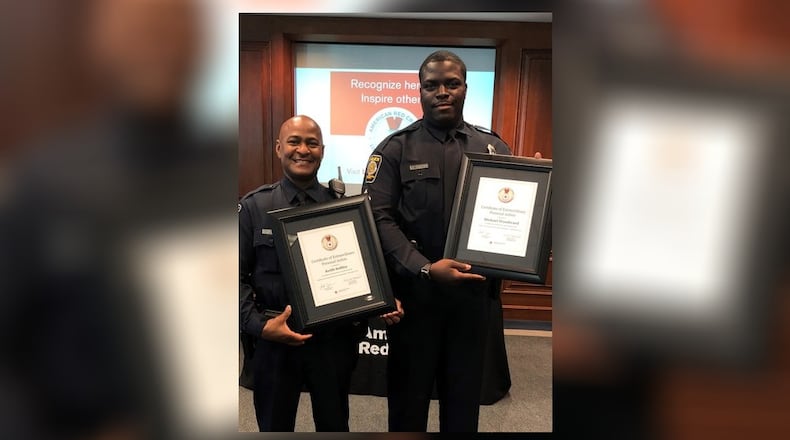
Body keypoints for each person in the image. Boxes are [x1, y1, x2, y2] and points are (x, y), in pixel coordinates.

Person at [361, 50, 513, 432]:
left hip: (473, 300)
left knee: (463, 403)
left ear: (465, 88)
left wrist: (536, 185)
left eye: (452, 83)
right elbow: (377, 218)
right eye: (431, 85)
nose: (442, 92)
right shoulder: (394, 150)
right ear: (420, 91)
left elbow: (514, 217)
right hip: (416, 298)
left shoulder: (493, 148)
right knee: (408, 403)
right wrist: (424, 268)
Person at [239, 115, 384, 431]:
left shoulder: (344, 208)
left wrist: (378, 303)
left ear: (322, 150)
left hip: (331, 342)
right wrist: (259, 327)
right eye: (294, 141)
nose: (302, 149)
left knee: (334, 424)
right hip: (274, 338)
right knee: (274, 426)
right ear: (279, 148)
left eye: (311, 142)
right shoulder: (254, 207)